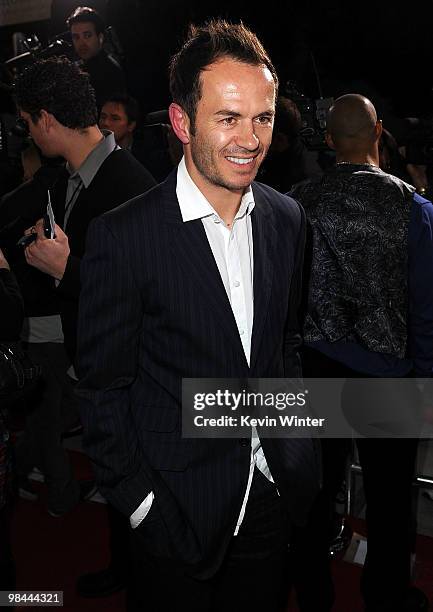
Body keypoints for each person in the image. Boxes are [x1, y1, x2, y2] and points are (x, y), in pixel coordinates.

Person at [77, 19, 321, 612]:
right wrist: (143, 507)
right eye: (228, 118)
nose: (250, 139)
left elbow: (285, 348)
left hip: (270, 499)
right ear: (183, 122)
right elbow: (104, 391)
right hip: (173, 510)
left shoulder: (288, 220)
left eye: (262, 118)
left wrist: (295, 455)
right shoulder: (124, 237)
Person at [12, 56, 155, 594]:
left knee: (135, 489)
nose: (27, 131)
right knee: (118, 483)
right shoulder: (76, 176)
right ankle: (124, 571)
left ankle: (137, 578)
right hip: (96, 363)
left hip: (127, 374)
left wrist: (65, 269)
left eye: (27, 121)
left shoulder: (130, 184)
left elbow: (144, 297)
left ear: (46, 119)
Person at [290, 94, 433, 612]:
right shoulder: (413, 207)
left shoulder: (296, 201)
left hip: (313, 369)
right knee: (391, 502)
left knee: (311, 495)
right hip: (387, 373)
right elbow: (425, 308)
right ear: (378, 133)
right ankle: (386, 597)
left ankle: (312, 595)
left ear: (328, 141)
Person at [99, 94, 174, 181]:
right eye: (103, 117)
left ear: (131, 125)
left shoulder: (148, 158)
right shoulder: (95, 154)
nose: (105, 123)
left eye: (115, 119)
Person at [67, 6, 126, 109]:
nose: (81, 43)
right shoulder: (85, 66)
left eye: (87, 35)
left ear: (100, 37)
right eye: (76, 37)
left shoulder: (107, 71)